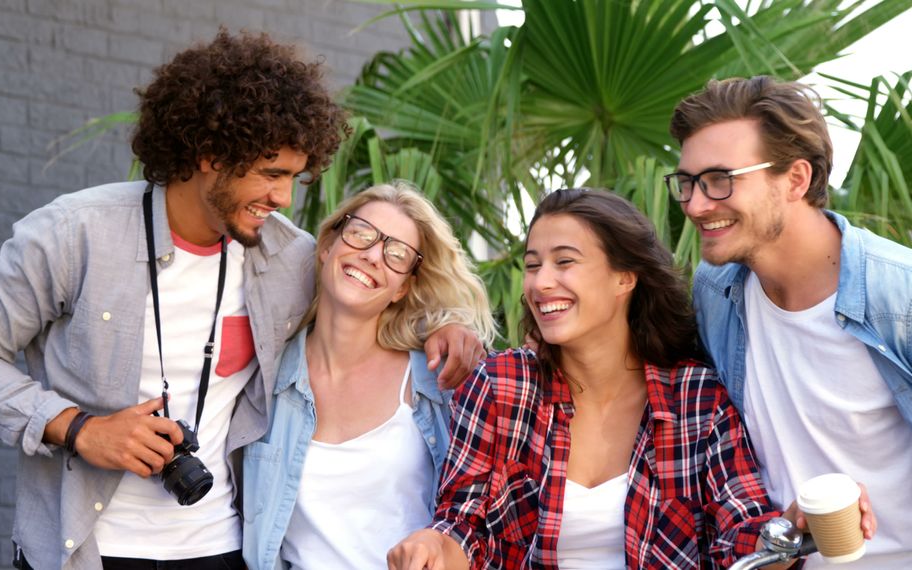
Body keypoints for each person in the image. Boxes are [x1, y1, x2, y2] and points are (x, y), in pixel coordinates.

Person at [0, 30, 483, 570]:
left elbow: (369, 289)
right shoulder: (74, 234)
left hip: (218, 547)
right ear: (210, 155)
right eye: (271, 174)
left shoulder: (288, 257)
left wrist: (448, 325)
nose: (284, 198)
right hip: (81, 548)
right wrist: (80, 429)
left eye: (295, 177)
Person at [389, 188, 783, 569]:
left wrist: (787, 534)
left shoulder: (695, 398)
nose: (540, 283)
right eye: (532, 265)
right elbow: (463, 526)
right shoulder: (500, 385)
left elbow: (741, 530)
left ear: (625, 278)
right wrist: (433, 544)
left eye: (564, 262)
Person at [669, 76, 911, 567]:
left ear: (795, 180)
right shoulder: (715, 292)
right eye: (689, 183)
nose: (695, 204)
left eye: (720, 179)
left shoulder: (900, 293)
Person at [241, 183, 497, 569]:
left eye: (397, 254)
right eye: (361, 233)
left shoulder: (435, 383)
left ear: (403, 287)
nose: (373, 255)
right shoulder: (265, 379)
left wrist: (451, 327)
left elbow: (481, 512)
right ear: (328, 246)